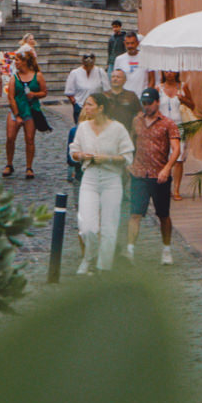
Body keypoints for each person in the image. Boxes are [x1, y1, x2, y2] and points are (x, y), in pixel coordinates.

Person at [71, 95, 135, 272]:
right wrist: (82, 156)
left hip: (111, 179)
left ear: (101, 108)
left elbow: (128, 157)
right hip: (90, 178)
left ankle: (103, 267)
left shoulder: (117, 129)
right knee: (87, 227)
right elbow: (74, 151)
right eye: (85, 105)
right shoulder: (83, 128)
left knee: (109, 227)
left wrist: (108, 158)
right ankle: (89, 257)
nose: (86, 108)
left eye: (90, 105)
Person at [126, 87, 179, 265]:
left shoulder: (168, 123)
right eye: (144, 103)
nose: (146, 107)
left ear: (157, 102)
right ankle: (130, 250)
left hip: (159, 174)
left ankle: (166, 249)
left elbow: (176, 149)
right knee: (135, 214)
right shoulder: (137, 120)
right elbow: (130, 140)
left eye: (149, 103)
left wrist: (167, 168)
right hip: (139, 172)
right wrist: (129, 162)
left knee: (163, 214)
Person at [3, 44, 47, 179]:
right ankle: (9, 164)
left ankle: (29, 167)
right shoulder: (14, 77)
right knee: (10, 138)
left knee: (29, 139)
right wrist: (16, 114)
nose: (15, 63)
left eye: (17, 60)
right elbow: (11, 97)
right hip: (17, 111)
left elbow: (44, 92)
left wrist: (34, 94)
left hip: (31, 111)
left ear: (25, 62)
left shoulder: (37, 76)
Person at [158, 71, 196, 200]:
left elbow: (193, 106)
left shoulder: (183, 87)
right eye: (166, 70)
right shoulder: (159, 88)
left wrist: (183, 99)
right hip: (162, 128)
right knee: (163, 158)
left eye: (172, 70)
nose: (169, 73)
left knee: (178, 159)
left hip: (180, 126)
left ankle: (176, 189)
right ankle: (165, 187)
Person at [64, 51, 108, 122]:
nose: (89, 68)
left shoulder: (100, 72)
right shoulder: (75, 73)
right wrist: (75, 104)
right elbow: (69, 92)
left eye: (91, 65)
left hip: (96, 108)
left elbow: (107, 90)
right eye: (86, 65)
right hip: (80, 106)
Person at [112, 31, 149, 99]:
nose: (130, 46)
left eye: (132, 43)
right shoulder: (119, 59)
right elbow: (115, 79)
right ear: (124, 43)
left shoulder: (146, 58)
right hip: (124, 99)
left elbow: (152, 80)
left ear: (137, 43)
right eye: (127, 43)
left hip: (141, 98)